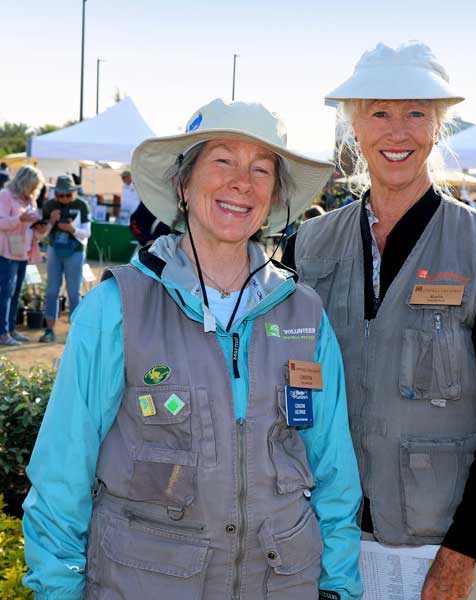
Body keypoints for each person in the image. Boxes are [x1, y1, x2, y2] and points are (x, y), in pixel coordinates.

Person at [23, 99, 363, 600]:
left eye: (261, 169)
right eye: (223, 160)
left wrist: (339, 588)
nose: (241, 182)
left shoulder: (304, 314)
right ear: (183, 186)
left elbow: (335, 471)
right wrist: (57, 590)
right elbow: (62, 472)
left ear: (273, 199)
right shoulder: (118, 308)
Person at [283, 42, 476, 600]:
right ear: (354, 127)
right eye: (379, 113)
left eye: (415, 113)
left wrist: (466, 549)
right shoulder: (307, 246)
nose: (396, 132)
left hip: (439, 547)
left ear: (437, 128)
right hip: (326, 538)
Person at [38, 174, 91, 343]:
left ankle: (75, 332)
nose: (65, 199)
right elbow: (41, 233)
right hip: (54, 249)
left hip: (75, 251)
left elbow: (87, 233)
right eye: (61, 195)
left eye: (68, 195)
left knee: (74, 292)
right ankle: (49, 330)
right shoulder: (50, 205)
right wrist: (51, 221)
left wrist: (71, 229)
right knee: (52, 290)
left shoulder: (82, 205)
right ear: (56, 194)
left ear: (74, 192)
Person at [0, 165, 45, 345]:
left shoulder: (30, 200)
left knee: (16, 293)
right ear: (25, 182)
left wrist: (41, 229)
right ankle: (3, 333)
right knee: (5, 293)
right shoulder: (5, 195)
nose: (35, 190)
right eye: (33, 185)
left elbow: (31, 229)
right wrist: (20, 219)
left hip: (24, 252)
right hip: (7, 252)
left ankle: (11, 329)